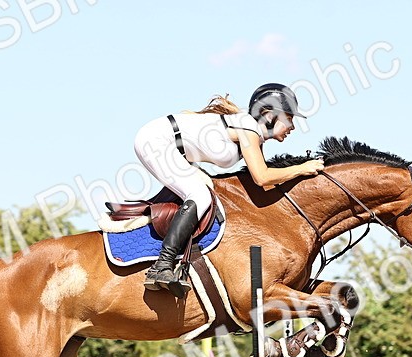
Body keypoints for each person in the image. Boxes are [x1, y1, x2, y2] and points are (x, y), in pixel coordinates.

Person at [133, 83, 324, 297]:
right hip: (156, 143)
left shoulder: (251, 132)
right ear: (269, 115)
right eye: (289, 118)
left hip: (170, 147)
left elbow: (262, 181)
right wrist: (302, 168)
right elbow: (262, 177)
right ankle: (162, 266)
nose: (292, 127)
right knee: (200, 196)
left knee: (204, 190)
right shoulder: (249, 129)